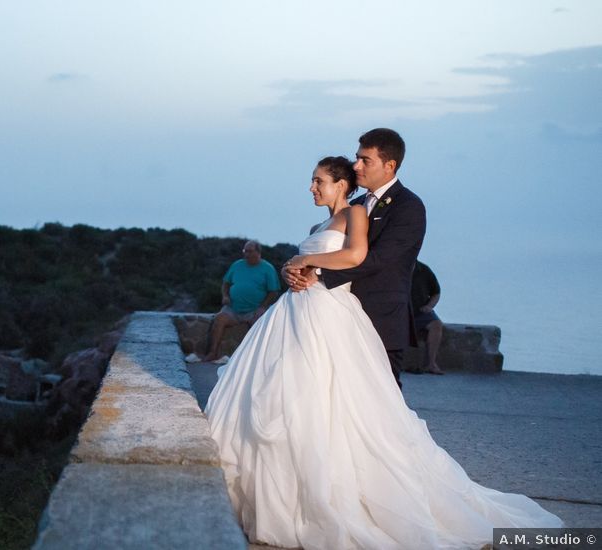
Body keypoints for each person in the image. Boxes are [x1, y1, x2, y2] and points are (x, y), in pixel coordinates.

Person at [205, 154, 562, 549]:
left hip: (329, 314)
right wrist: (292, 267)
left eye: (318, 180)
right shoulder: (316, 224)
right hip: (293, 314)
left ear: (341, 184)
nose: (312, 187)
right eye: (312, 181)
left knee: (325, 400)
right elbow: (313, 263)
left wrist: (306, 260)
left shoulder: (356, 214)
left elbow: (355, 255)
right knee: (280, 395)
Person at [286, 128, 422, 388]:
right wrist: (293, 270)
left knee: (380, 397)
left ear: (389, 165)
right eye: (357, 158)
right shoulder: (354, 205)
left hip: (380, 316)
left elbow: (380, 259)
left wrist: (316, 273)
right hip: (338, 313)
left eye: (365, 160)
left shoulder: (408, 206)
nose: (356, 166)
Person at [201, 240, 279, 363]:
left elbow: (273, 291)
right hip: (233, 308)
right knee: (219, 319)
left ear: (258, 252)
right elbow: (226, 283)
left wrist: (262, 307)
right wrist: (225, 296)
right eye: (245, 251)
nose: (246, 254)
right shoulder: (237, 265)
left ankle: (256, 359)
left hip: (254, 309)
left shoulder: (267, 268)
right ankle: (212, 353)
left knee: (260, 325)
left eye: (249, 251)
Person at [411, 259, 445, 374]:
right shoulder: (395, 267)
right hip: (400, 313)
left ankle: (431, 364)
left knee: (436, 324)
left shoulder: (424, 270)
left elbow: (436, 292)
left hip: (420, 312)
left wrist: (429, 306)